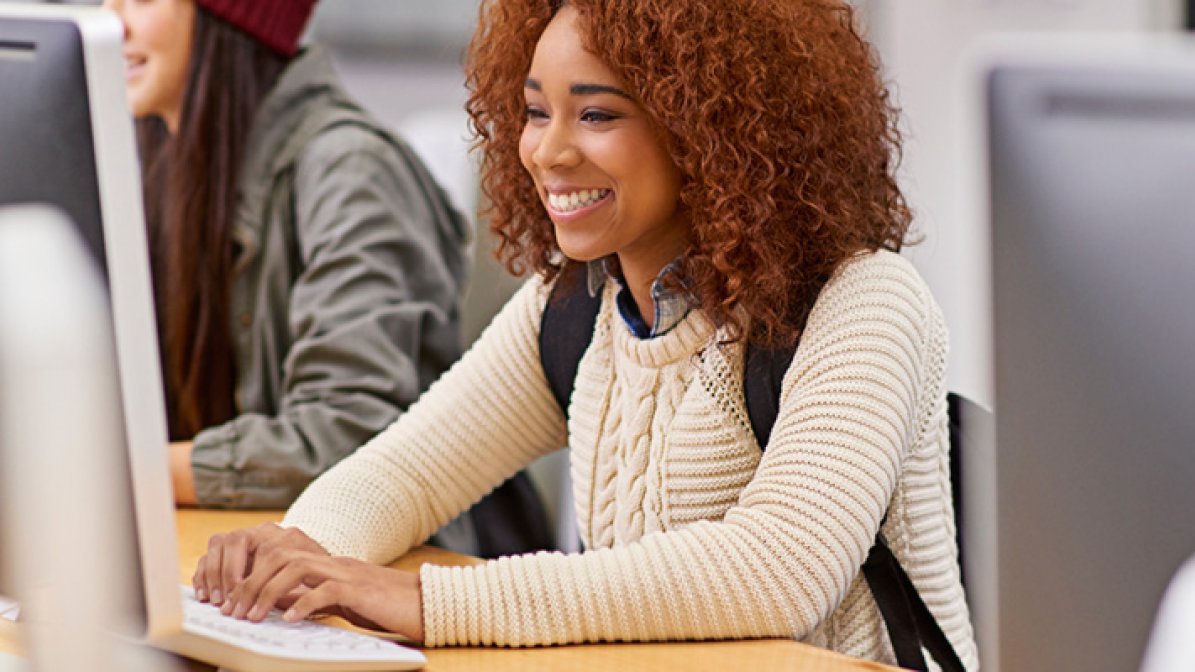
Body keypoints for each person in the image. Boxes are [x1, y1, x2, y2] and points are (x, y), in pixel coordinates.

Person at [190, 0, 979, 667]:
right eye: (536, 111)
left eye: (596, 113)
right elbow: (404, 474)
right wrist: (296, 556)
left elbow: (776, 568)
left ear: (711, 128)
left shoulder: (865, 300)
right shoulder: (573, 305)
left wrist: (427, 600)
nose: (548, 151)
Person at [104, 0, 552, 559]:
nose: (111, 20)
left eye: (141, 0)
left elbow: (348, 435)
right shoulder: (163, 164)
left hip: (398, 574)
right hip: (255, 558)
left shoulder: (353, 172)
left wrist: (121, 469)